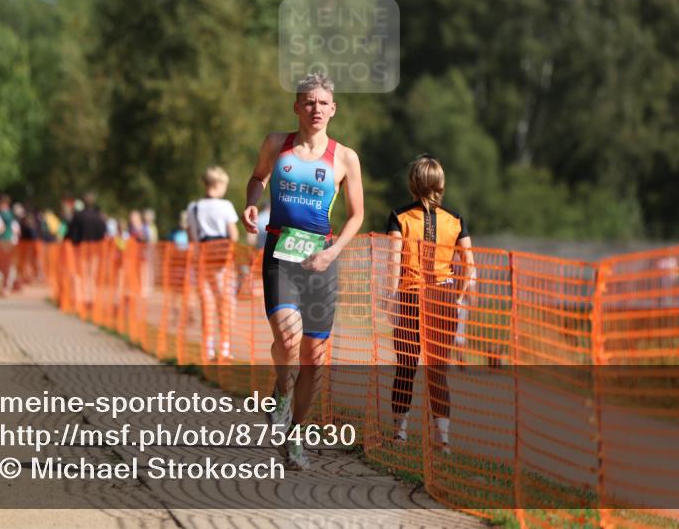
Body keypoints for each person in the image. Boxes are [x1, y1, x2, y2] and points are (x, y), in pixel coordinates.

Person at [241, 72, 364, 470]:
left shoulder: (345, 158)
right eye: (308, 102)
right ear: (296, 107)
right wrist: (251, 202)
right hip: (281, 252)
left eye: (322, 102)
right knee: (288, 339)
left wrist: (333, 254)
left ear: (334, 109)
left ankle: (295, 435)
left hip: (322, 261)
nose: (315, 109)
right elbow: (257, 178)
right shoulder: (278, 145)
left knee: (314, 355)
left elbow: (357, 215)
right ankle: (281, 389)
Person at [385, 155, 475, 455]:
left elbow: (393, 262)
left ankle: (399, 434)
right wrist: (458, 296)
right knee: (438, 370)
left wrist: (390, 299)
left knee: (406, 367)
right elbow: (470, 268)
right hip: (444, 297)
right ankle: (443, 439)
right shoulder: (455, 220)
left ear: (413, 182)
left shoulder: (399, 217)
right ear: (440, 184)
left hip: (411, 296)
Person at [187, 166, 241, 361]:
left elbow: (192, 237)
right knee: (225, 305)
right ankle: (225, 348)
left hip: (202, 260)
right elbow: (233, 235)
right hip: (222, 262)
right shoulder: (225, 206)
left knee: (207, 305)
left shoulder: (193, 207)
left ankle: (208, 348)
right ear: (219, 184)